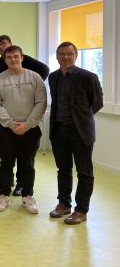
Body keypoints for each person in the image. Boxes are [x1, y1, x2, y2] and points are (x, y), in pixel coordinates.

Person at [48, 42, 103, 225]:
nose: (65, 57)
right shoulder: (53, 77)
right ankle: (64, 204)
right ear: (56, 56)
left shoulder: (88, 77)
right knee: (63, 170)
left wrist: (81, 119)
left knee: (84, 172)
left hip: (81, 132)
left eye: (69, 54)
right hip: (58, 130)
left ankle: (81, 210)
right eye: (62, 54)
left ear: (76, 55)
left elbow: (97, 103)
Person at [0, 46, 46, 214]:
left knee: (27, 164)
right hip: (6, 129)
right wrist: (11, 124)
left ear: (22, 58)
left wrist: (27, 125)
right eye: (9, 57)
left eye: (16, 56)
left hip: (30, 129)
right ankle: (4, 195)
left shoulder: (34, 77)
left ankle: (28, 197)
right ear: (5, 60)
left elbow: (41, 102)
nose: (13, 60)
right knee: (6, 163)